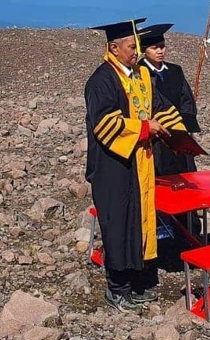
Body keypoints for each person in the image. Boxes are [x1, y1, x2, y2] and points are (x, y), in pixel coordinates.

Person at [84, 18, 188, 313]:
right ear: (113, 48)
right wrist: (145, 128)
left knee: (141, 221)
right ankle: (117, 288)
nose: (137, 51)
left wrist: (179, 135)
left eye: (137, 46)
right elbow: (105, 124)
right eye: (132, 47)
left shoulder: (140, 73)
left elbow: (161, 106)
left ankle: (137, 282)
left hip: (140, 161)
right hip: (113, 166)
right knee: (119, 224)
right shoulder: (101, 81)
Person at [138, 23, 200, 176]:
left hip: (179, 133)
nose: (160, 51)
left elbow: (186, 100)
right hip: (156, 137)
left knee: (185, 174)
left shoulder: (175, 71)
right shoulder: (139, 73)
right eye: (154, 48)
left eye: (162, 46)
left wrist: (184, 126)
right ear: (144, 50)